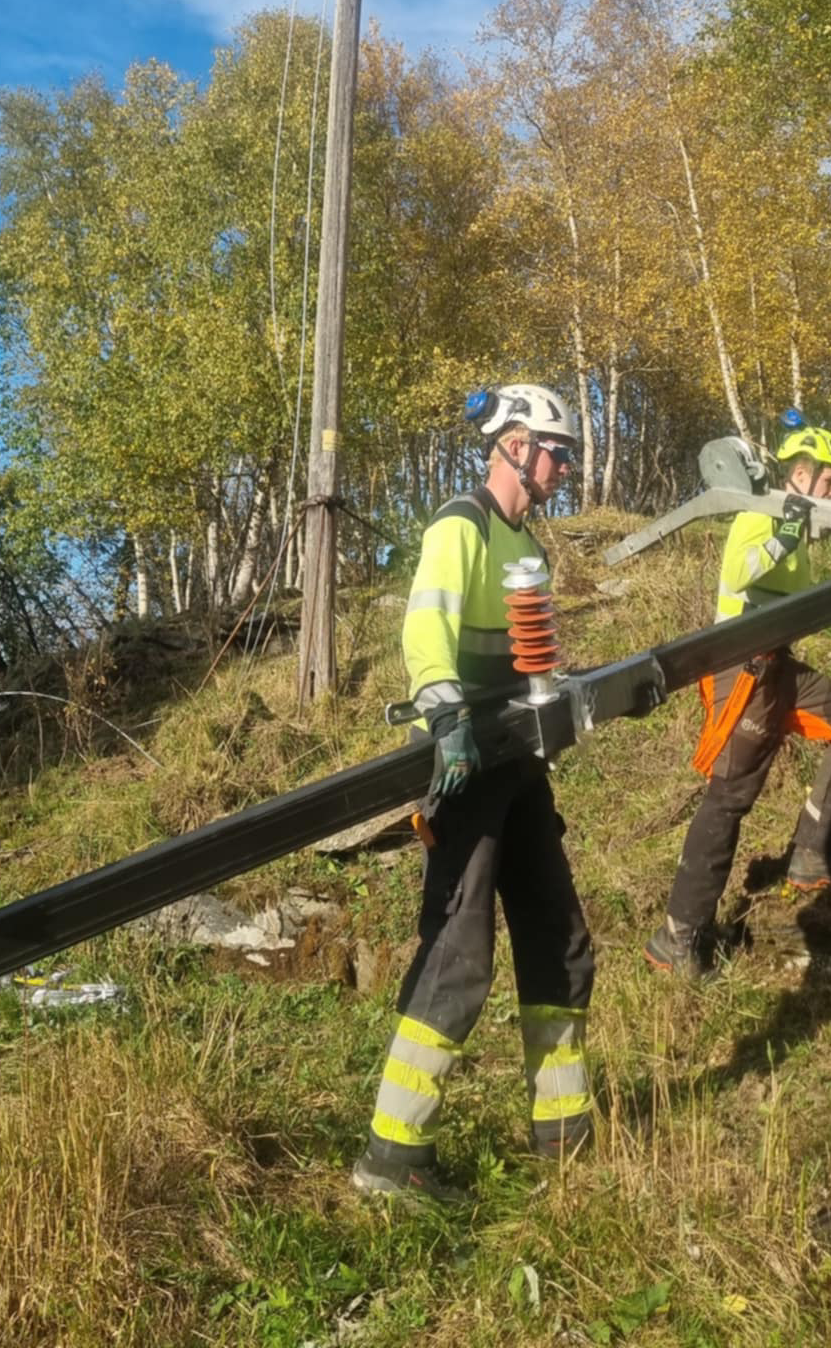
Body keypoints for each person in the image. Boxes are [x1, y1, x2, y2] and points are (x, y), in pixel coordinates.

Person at [351, 384, 596, 1202]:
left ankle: (565, 1134)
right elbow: (427, 623)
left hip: (518, 766)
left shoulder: (530, 547)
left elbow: (533, 655)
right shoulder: (462, 523)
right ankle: (393, 1155)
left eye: (567, 455)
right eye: (557, 452)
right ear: (516, 444)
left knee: (560, 938)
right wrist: (443, 710)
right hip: (464, 764)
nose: (564, 468)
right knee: (460, 956)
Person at [645, 424, 831, 979]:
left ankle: (809, 852)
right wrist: (786, 536)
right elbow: (738, 572)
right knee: (729, 799)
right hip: (741, 672)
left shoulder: (794, 525)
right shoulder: (762, 514)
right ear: (799, 476)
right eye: (829, 482)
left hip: (779, 666)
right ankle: (677, 937)